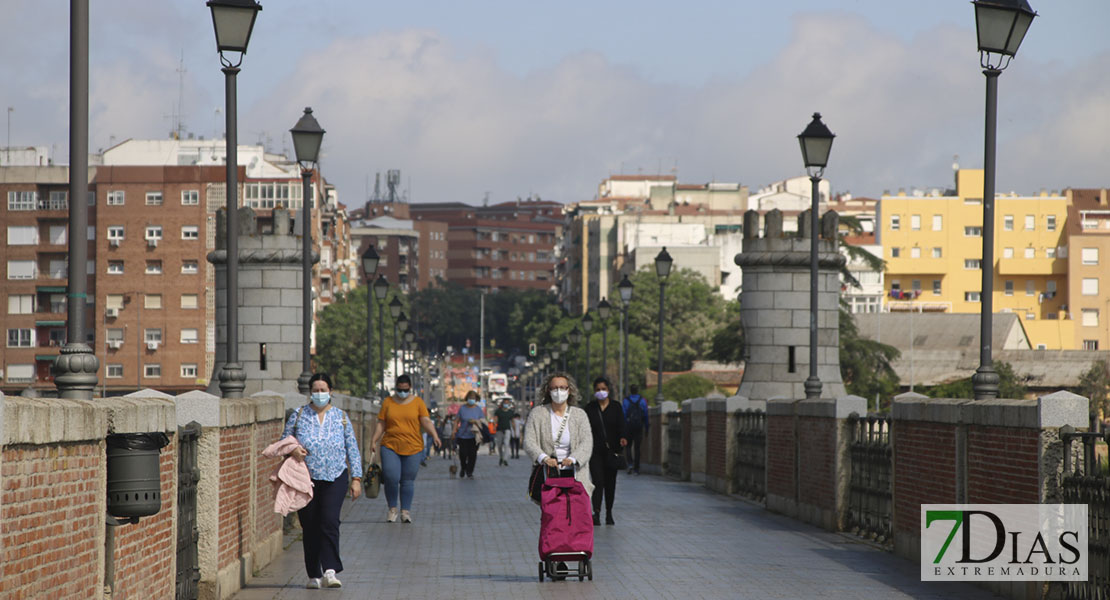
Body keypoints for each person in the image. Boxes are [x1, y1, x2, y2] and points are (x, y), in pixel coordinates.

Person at [281, 373, 362, 589]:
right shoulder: (299, 415)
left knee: (329, 521)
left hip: (335, 476)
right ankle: (313, 573)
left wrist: (356, 478)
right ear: (310, 392)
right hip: (305, 478)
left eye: (323, 390)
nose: (319, 394)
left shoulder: (341, 417)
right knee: (310, 526)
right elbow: (284, 442)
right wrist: (294, 449)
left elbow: (352, 449)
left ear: (331, 391)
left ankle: (330, 569)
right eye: (315, 390)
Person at [370, 374, 441, 524]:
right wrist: (374, 440)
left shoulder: (418, 402)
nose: (402, 392)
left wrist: (434, 435)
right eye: (399, 389)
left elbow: (426, 421)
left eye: (405, 389)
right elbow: (381, 423)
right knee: (391, 477)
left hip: (413, 447)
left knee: (407, 480)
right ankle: (392, 509)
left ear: (409, 388)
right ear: (396, 388)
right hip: (390, 445)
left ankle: (405, 511)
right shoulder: (388, 402)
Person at [523, 372, 594, 500]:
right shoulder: (538, 414)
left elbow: (587, 442)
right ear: (548, 390)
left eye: (562, 387)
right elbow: (529, 441)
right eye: (554, 388)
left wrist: (573, 458)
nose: (558, 391)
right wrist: (544, 458)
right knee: (553, 513)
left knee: (576, 513)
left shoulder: (579, 415)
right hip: (549, 473)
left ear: (569, 390)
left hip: (575, 474)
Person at [584, 376, 627, 526]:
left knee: (610, 483)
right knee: (598, 482)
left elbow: (622, 425)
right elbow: (584, 429)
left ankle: (609, 513)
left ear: (608, 390)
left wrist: (623, 437)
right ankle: (596, 512)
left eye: (603, 389)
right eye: (597, 390)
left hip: (612, 451)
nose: (600, 392)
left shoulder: (616, 407)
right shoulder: (590, 408)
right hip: (595, 452)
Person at [454, 390, 485, 478]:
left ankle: (469, 471)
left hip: (474, 436)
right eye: (470, 398)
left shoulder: (478, 410)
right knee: (463, 454)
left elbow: (483, 422)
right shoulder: (462, 408)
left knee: (472, 455)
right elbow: (457, 420)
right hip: (463, 435)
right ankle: (463, 468)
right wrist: (454, 431)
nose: (471, 400)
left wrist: (475, 421)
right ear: (467, 398)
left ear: (476, 399)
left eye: (473, 398)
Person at [622, 384, 650, 475]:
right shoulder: (642, 400)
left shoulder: (626, 401)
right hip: (639, 426)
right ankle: (636, 468)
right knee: (637, 448)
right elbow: (645, 414)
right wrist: (646, 427)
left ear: (630, 390)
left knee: (628, 446)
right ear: (637, 390)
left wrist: (623, 428)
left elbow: (623, 414)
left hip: (629, 426)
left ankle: (630, 464)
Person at [493, 398, 517, 466]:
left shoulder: (510, 412)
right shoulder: (498, 411)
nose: (506, 404)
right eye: (505, 403)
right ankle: (501, 457)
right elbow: (495, 419)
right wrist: (494, 425)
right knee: (499, 445)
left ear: (509, 404)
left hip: (507, 430)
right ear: (502, 404)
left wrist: (514, 431)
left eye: (507, 403)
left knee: (506, 444)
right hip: (499, 430)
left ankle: (505, 459)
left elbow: (512, 422)